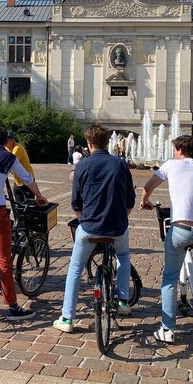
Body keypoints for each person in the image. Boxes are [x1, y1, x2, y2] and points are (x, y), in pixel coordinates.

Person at [54, 123, 136, 333]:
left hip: (89, 227)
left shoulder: (82, 166)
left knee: (75, 268)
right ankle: (124, 301)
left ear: (89, 144)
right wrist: (119, 218)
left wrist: (84, 221)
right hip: (117, 227)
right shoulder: (120, 165)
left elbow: (75, 204)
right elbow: (130, 202)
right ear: (108, 142)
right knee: (124, 256)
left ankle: (67, 318)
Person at [140, 134, 193, 343]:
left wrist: (145, 201)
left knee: (169, 277)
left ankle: (167, 329)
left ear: (179, 150)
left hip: (181, 230)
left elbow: (147, 187)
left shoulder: (170, 165)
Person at [0, 126, 48, 321]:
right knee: (5, 260)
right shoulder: (8, 156)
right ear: (6, 142)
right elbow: (26, 178)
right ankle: (13, 306)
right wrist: (39, 196)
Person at [4, 132, 36, 203]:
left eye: (7, 140)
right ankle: (19, 213)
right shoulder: (6, 148)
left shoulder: (18, 148)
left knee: (29, 203)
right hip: (18, 180)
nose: (5, 142)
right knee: (18, 201)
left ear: (13, 140)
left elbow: (9, 162)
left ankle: (29, 214)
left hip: (27, 179)